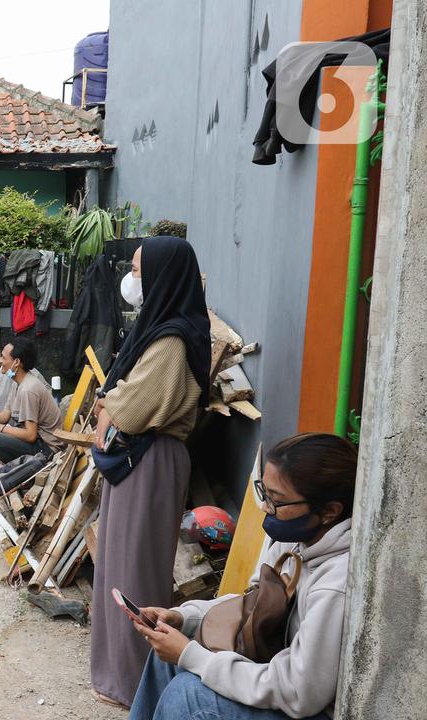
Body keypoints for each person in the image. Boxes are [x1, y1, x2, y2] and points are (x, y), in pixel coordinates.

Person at [129, 433, 356, 720]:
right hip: (272, 670)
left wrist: (191, 655)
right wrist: (185, 618)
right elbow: (251, 605)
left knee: (189, 694)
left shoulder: (336, 583)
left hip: (306, 708)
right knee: (166, 654)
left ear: (329, 511)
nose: (265, 508)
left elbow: (299, 693)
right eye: (265, 494)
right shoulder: (295, 541)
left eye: (277, 502)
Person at [90, 236, 211, 709]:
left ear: (164, 276)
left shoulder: (173, 339)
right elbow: (119, 395)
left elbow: (133, 407)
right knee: (118, 564)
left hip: (151, 457)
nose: (132, 279)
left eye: (139, 271)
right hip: (137, 459)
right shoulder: (159, 328)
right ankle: (115, 674)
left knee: (136, 568)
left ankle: (134, 682)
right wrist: (110, 403)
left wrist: (108, 404)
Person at [0, 338, 63, 462]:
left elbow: (30, 435)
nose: (0, 361)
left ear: (16, 362)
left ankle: (23, 469)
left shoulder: (28, 389)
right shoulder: (17, 382)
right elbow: (5, 416)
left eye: (3, 358)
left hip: (46, 449)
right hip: (36, 442)